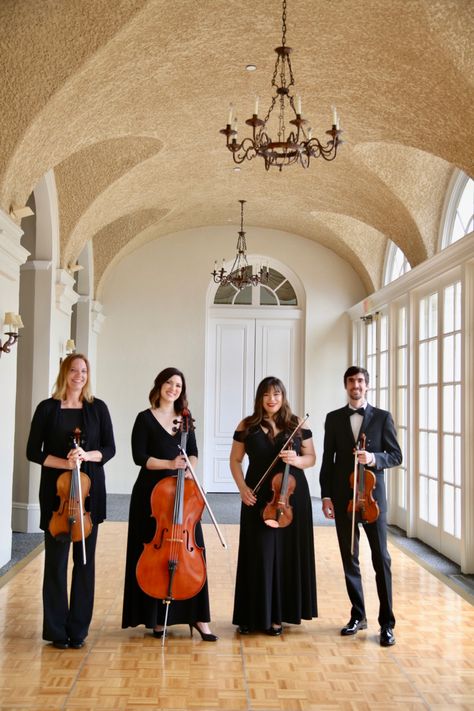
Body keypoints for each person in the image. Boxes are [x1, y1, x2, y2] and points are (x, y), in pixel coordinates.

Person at [26, 353, 116, 649]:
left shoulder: (97, 408)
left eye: (84, 370)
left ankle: (78, 630)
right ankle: (55, 630)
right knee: (55, 563)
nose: (79, 375)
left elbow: (109, 448)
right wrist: (64, 464)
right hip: (58, 493)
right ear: (64, 373)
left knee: (84, 562)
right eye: (74, 370)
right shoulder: (47, 408)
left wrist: (85, 456)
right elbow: (32, 452)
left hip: (89, 492)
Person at [121, 367, 217, 641]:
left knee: (193, 548)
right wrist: (170, 464)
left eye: (178, 385)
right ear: (159, 386)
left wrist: (188, 468)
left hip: (182, 495)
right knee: (153, 555)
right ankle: (156, 618)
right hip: (151, 495)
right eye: (168, 383)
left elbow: (194, 453)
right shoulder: (144, 418)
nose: (173, 388)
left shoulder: (185, 421)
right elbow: (139, 457)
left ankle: (199, 617)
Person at [319, 366, 402, 647]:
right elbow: (328, 461)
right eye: (352, 381)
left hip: (373, 500)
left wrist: (374, 458)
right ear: (346, 385)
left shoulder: (382, 417)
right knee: (349, 557)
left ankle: (387, 624)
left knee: (382, 560)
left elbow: (396, 455)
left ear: (367, 386)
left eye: (361, 381)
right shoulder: (333, 419)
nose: (356, 385)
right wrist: (326, 496)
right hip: (344, 500)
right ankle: (358, 615)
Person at [230, 376, 317, 635]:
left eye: (277, 394)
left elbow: (311, 457)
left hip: (290, 497)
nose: (272, 399)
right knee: (258, 552)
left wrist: (297, 459)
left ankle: (278, 616)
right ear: (260, 398)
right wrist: (242, 488)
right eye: (267, 395)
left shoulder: (296, 424)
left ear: (283, 396)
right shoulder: (247, 425)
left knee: (286, 555)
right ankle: (250, 614)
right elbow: (235, 460)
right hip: (258, 497)